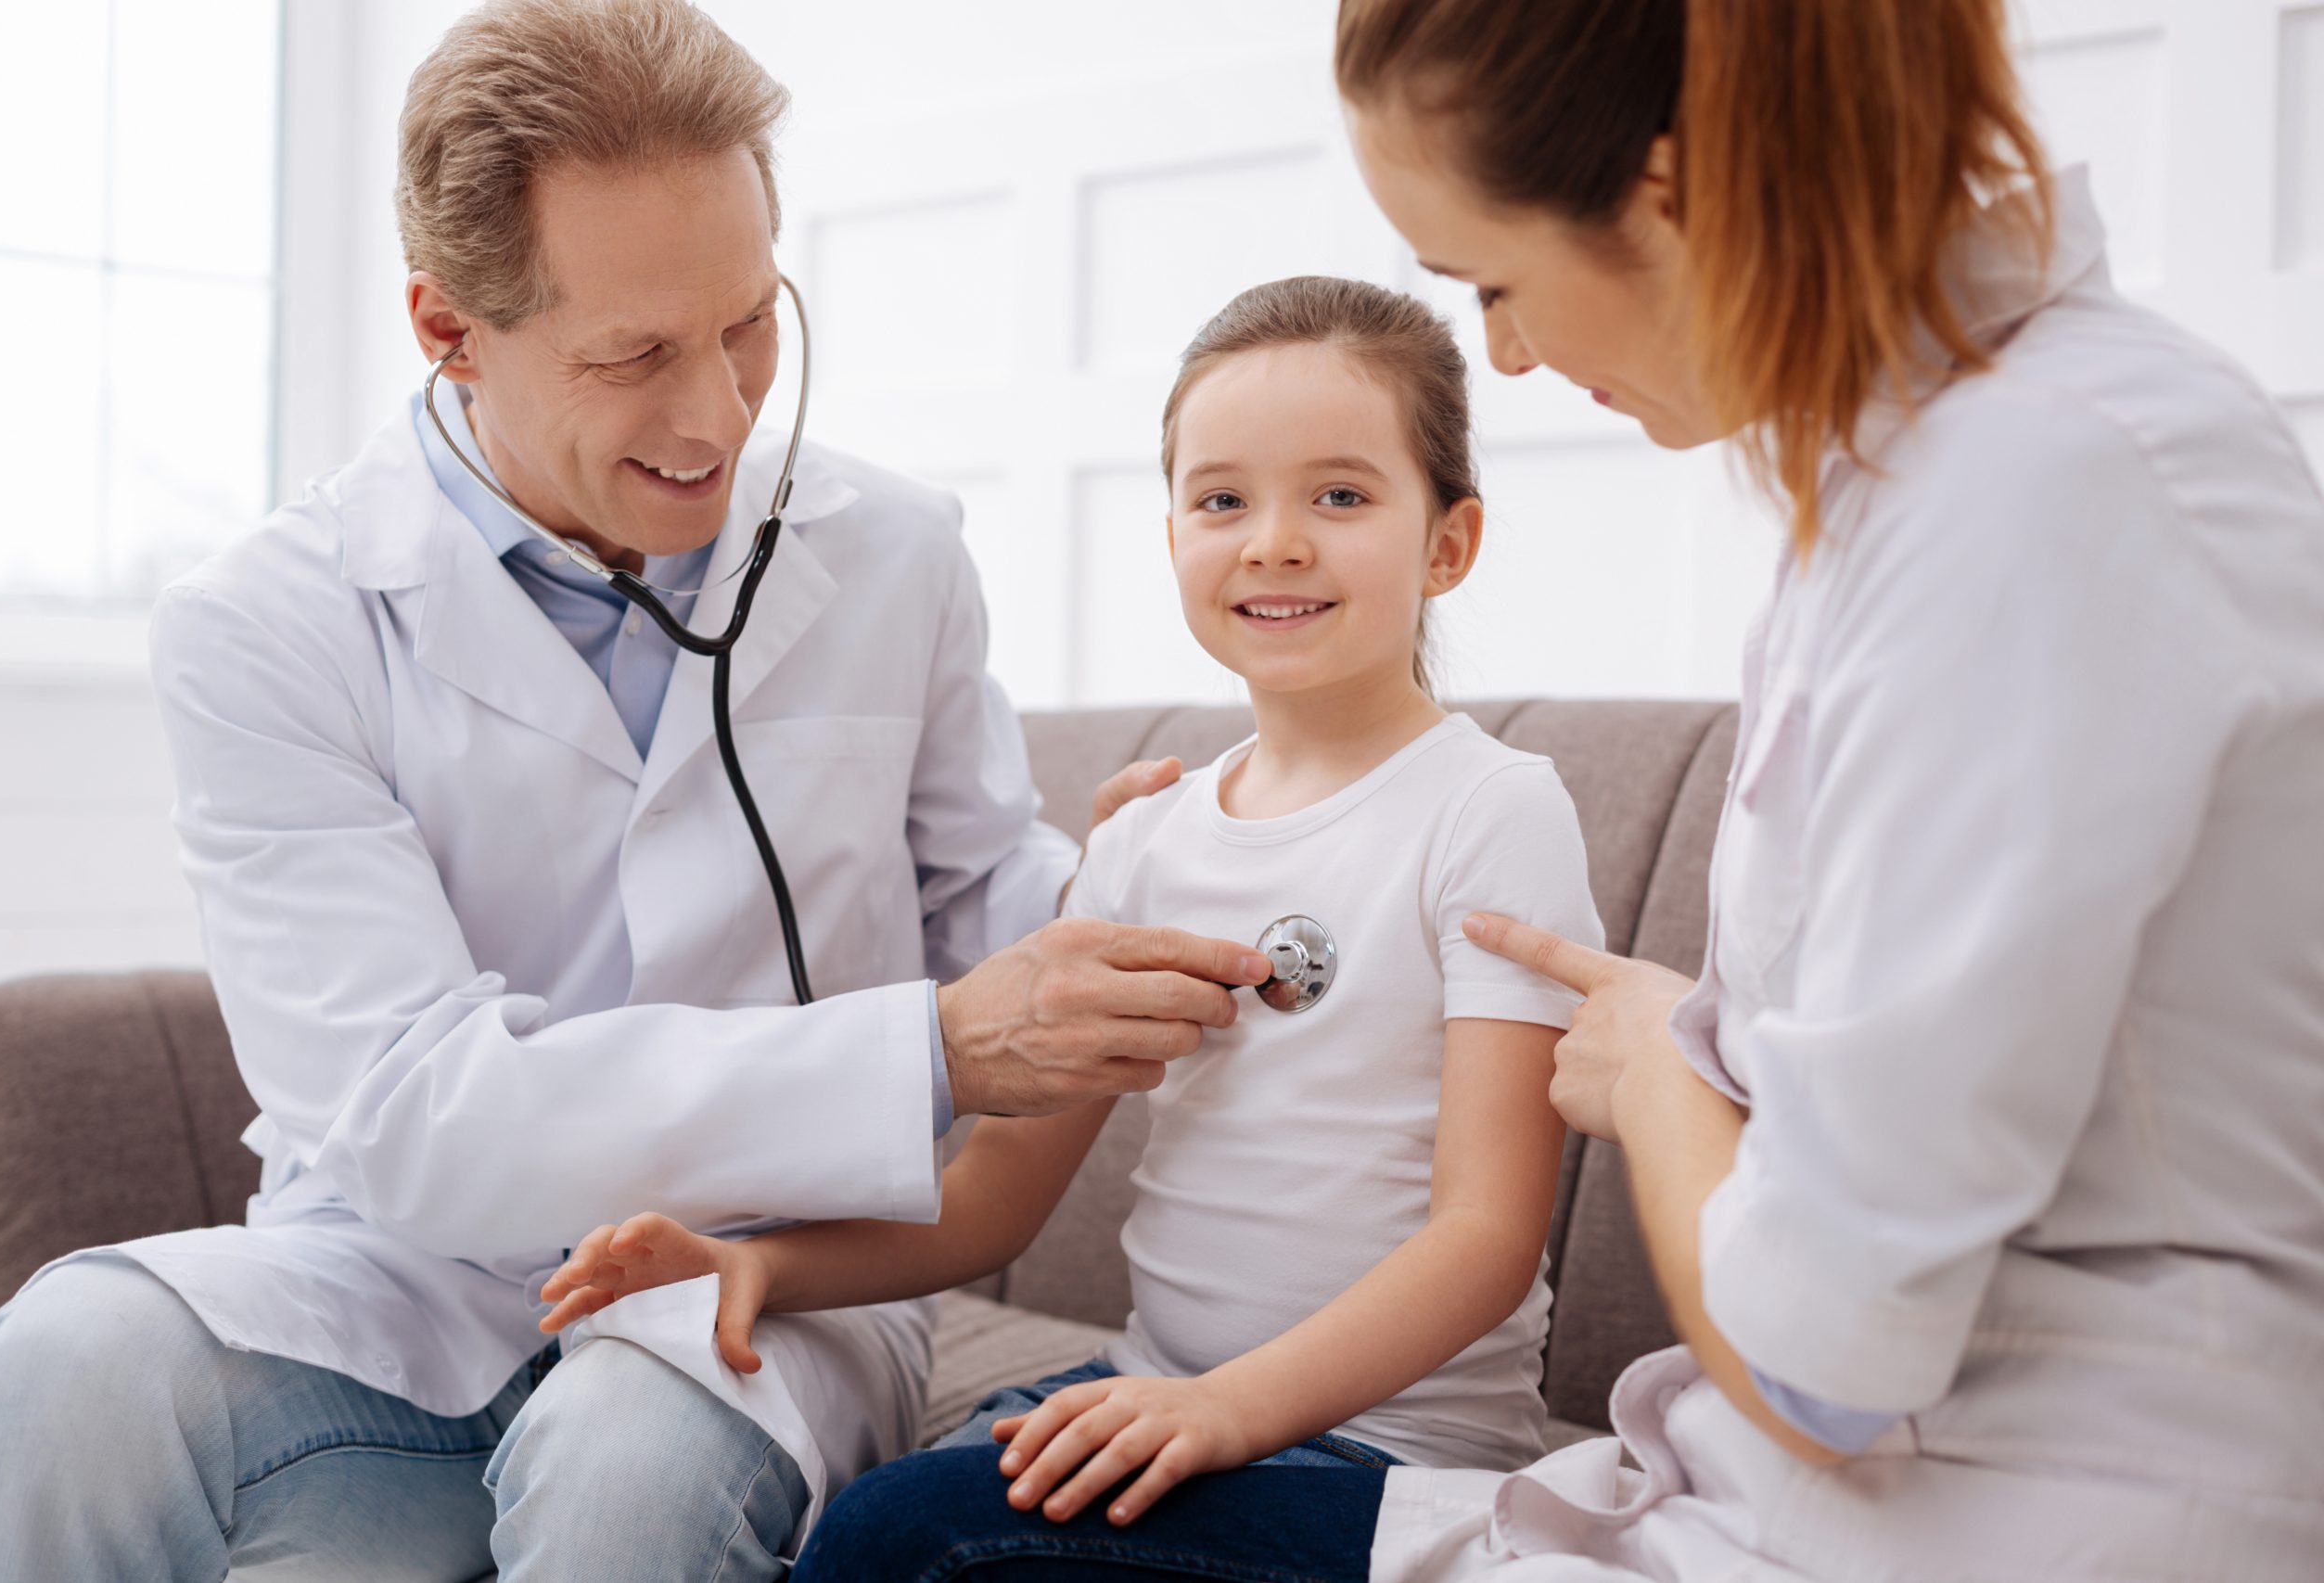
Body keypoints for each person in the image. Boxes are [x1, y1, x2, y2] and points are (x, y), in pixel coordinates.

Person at [754, 0, 2324, 1578]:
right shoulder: (1905, 497)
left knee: (916, 1546)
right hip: (1791, 1479)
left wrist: (1661, 1069)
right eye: (1217, 497)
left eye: (1494, 281)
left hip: (1986, 1511)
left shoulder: (2034, 500)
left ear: (1664, 192)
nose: (1503, 348)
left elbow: (1823, 1356)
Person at [0, 3, 1266, 1578]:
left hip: (776, 1276)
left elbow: (984, 894)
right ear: (450, 329)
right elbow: (417, 1119)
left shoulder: (894, 552)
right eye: (633, 354)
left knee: (627, 1459)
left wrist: (1112, 883)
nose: (718, 414)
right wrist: (929, 1044)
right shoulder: (268, 622)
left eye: (750, 321)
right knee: (68, 1357)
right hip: (404, 1281)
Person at [535, 275, 1608, 1569]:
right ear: (1171, 542)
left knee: (903, 1544)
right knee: (840, 1529)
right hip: (1153, 1397)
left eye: (1340, 495)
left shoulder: (1491, 811)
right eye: (1222, 499)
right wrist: (757, 1267)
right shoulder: (1144, 842)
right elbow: (993, 1201)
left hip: (1388, 1455)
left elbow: (1486, 1240)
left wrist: (1223, 1412)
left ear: (1448, 544)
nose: (1273, 541)